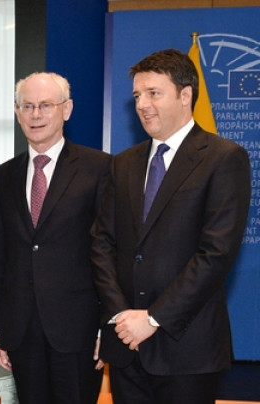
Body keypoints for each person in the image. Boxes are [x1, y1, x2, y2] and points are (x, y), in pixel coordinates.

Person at [91, 49, 251, 404]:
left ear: (185, 95)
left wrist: (152, 319)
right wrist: (121, 316)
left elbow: (216, 254)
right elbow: (102, 243)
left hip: (187, 349)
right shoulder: (123, 164)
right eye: (137, 96)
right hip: (126, 346)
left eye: (153, 93)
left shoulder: (224, 158)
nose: (143, 104)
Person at [0, 72, 110, 403]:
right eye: (27, 106)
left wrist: (105, 327)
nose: (36, 114)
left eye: (45, 105)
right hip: (21, 332)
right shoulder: (4, 176)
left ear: (66, 110)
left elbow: (110, 252)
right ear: (17, 112)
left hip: (79, 332)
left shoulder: (99, 168)